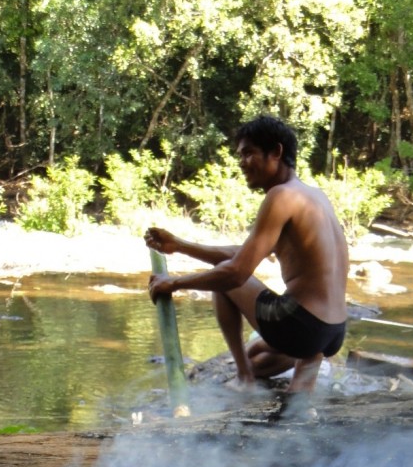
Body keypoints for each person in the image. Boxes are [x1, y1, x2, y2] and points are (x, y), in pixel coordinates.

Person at [145, 115, 349, 394]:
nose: (241, 163)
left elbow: (236, 272)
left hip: (302, 326)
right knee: (271, 362)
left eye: (248, 153)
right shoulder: (314, 196)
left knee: (225, 279)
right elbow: (244, 253)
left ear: (276, 152)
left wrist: (175, 283)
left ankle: (244, 377)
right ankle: (300, 392)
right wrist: (180, 246)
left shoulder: (280, 196)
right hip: (333, 331)